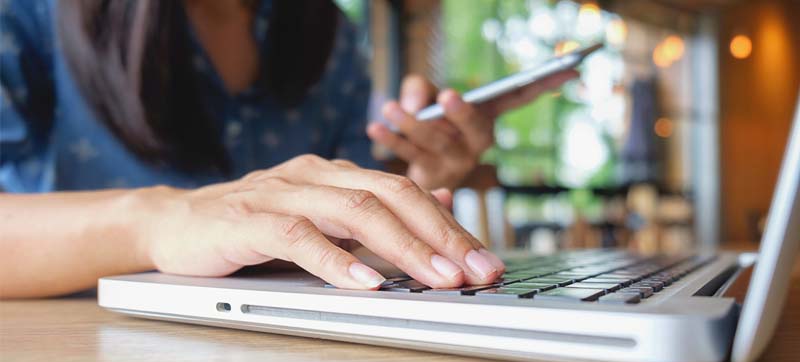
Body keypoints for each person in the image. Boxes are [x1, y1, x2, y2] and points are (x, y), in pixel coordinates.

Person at [0, 0, 576, 298]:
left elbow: (331, 220)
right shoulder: (30, 16)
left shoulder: (328, 34)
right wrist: (156, 220)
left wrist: (419, 172)